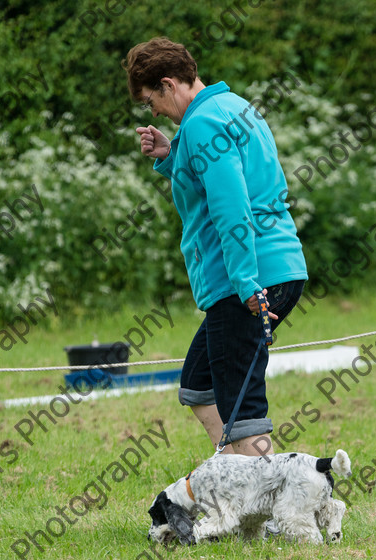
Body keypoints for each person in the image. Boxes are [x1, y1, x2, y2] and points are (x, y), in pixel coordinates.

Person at [124, 37, 307, 457]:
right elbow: (219, 179)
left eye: (150, 99)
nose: (152, 111)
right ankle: (231, 476)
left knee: (240, 402)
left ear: (169, 84)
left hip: (245, 277)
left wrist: (245, 284)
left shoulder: (204, 123)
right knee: (199, 381)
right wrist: (173, 156)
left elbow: (232, 208)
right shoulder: (233, 107)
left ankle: (262, 508)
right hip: (278, 267)